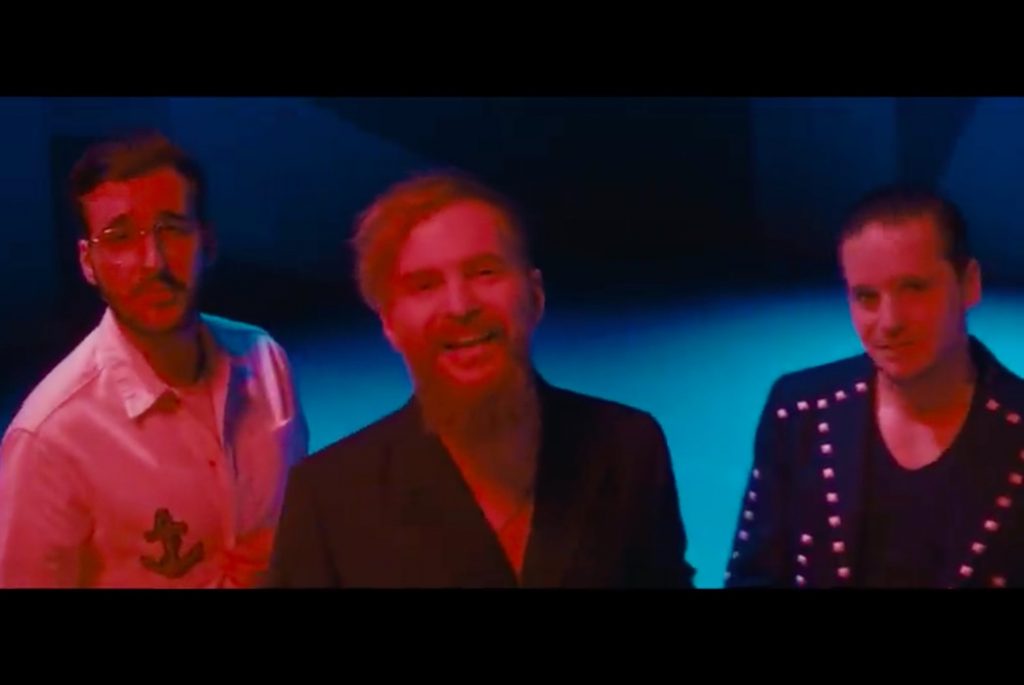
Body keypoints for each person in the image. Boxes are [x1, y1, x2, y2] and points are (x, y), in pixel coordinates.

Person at [267, 171, 694, 587]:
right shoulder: (327, 497)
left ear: (535, 296)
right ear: (390, 324)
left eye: (484, 272)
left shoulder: (628, 448)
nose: (460, 306)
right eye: (425, 285)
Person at [0, 131, 308, 588]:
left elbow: (300, 526)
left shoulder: (266, 362)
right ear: (88, 262)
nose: (153, 262)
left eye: (173, 229)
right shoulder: (49, 439)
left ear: (208, 242)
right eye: (120, 238)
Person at [726, 185, 1024, 588]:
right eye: (866, 297)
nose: (889, 322)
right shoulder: (798, 411)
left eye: (914, 288)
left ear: (969, 284)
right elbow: (754, 577)